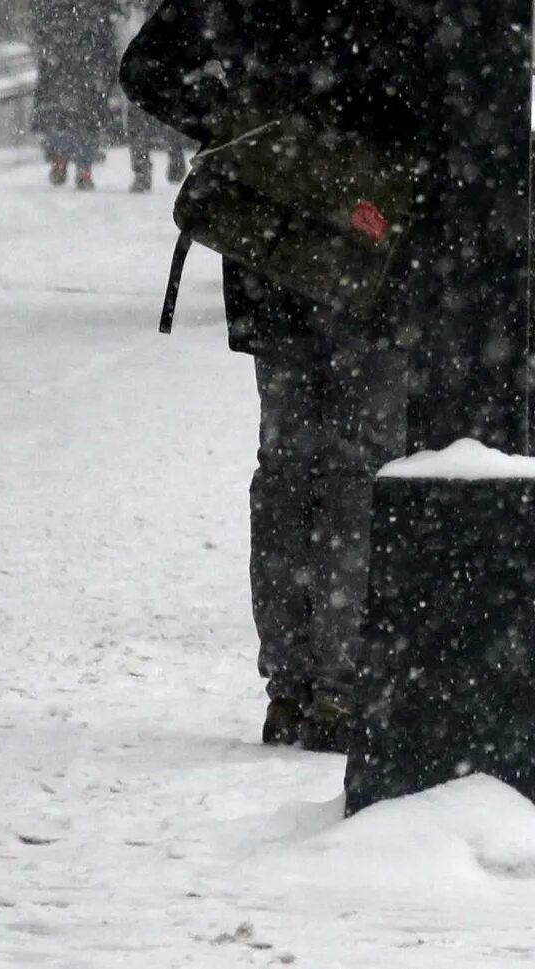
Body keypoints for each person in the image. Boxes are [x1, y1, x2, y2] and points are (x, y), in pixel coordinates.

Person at [225, 251, 406, 753]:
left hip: (276, 276)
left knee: (284, 480)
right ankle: (338, 690)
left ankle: (288, 690)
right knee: (356, 483)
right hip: (372, 281)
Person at [29, 0, 143, 190]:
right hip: (94, 37)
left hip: (61, 38)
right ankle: (84, 165)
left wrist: (46, 31)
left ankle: (60, 155)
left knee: (60, 101)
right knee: (90, 103)